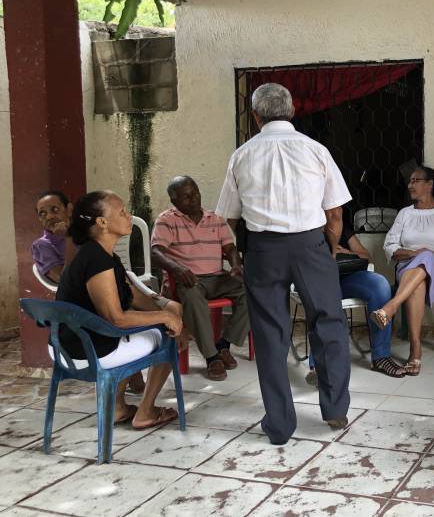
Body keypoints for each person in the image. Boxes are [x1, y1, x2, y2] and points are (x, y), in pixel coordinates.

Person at [216, 82, 352, 445]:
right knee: (329, 323)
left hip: (263, 250)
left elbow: (227, 218)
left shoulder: (241, 155)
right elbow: (335, 212)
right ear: (292, 112)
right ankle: (336, 410)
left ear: (256, 116)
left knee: (270, 334)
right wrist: (330, 248)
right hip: (311, 245)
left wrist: (239, 254)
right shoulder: (315, 150)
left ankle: (279, 425)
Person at [55, 191, 190, 429]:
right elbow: (116, 318)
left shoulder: (103, 255)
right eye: (122, 212)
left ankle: (117, 408)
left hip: (72, 343)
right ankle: (146, 412)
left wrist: (165, 308)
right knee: (168, 340)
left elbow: (135, 296)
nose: (129, 216)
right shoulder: (96, 260)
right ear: (102, 222)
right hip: (85, 350)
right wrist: (166, 318)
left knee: (162, 324)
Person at [151, 176, 250, 382]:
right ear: (174, 200)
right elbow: (156, 252)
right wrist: (177, 268)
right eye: (186, 197)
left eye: (195, 192)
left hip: (216, 278)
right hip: (188, 280)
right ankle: (212, 356)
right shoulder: (167, 220)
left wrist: (236, 265)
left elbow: (230, 248)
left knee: (253, 290)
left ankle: (224, 344)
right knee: (193, 296)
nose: (194, 198)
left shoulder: (215, 219)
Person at [371, 166, 434, 376]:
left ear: (430, 184)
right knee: (418, 280)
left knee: (426, 257)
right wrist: (416, 254)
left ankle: (392, 306)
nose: (411, 185)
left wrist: (426, 255)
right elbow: (390, 246)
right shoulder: (405, 214)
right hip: (408, 269)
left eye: (416, 180)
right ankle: (415, 348)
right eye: (410, 181)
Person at [306, 222, 406, 385]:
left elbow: (366, 257)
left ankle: (381, 357)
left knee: (380, 285)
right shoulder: (308, 229)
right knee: (325, 297)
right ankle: (319, 366)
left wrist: (346, 252)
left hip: (347, 278)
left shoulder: (341, 229)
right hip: (320, 282)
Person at [32, 191, 73, 284]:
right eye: (42, 213)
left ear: (69, 210)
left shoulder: (85, 235)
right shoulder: (41, 245)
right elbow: (65, 280)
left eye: (54, 209)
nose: (49, 217)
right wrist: (68, 237)